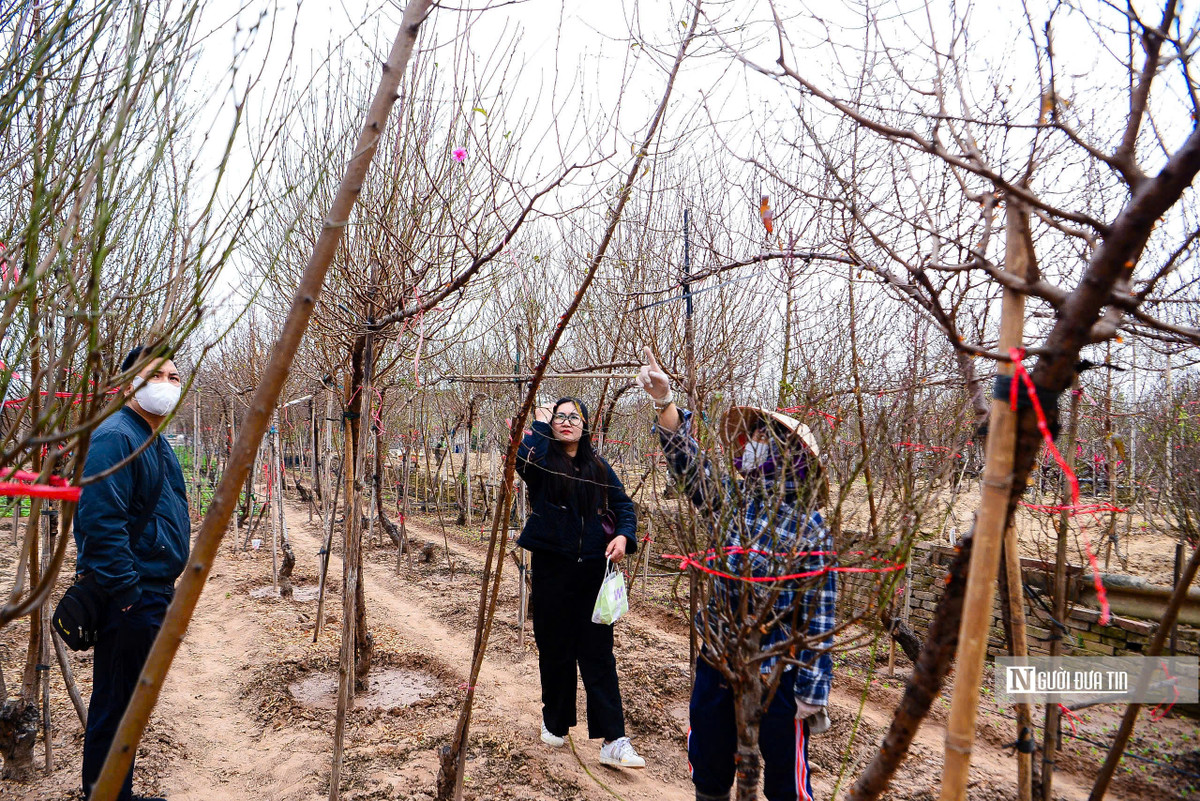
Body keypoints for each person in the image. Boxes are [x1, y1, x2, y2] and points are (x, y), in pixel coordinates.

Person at [637, 348, 835, 801]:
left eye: (761, 438)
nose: (747, 446)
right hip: (719, 659)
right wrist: (664, 402)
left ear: (788, 455)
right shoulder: (734, 503)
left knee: (786, 779)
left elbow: (820, 614)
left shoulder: (810, 527)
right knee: (709, 763)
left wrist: (812, 689)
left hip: (778, 673)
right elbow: (690, 468)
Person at [76, 346, 189, 801]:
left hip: (150, 589)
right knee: (116, 703)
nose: (166, 383)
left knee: (129, 704)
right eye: (155, 375)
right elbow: (102, 523)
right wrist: (127, 593)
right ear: (129, 385)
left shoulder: (152, 439)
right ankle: (104, 795)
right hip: (131, 594)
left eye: (174, 376)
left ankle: (115, 791)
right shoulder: (116, 437)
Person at [515, 396, 645, 768]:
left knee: (598, 654)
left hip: (592, 572)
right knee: (555, 649)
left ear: (586, 425)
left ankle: (613, 739)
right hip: (552, 568)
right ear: (551, 423)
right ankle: (555, 721)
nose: (567, 422)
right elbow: (523, 459)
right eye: (560, 417)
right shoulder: (541, 461)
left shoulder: (599, 467)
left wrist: (623, 537)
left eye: (575, 417)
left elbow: (624, 508)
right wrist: (539, 424)